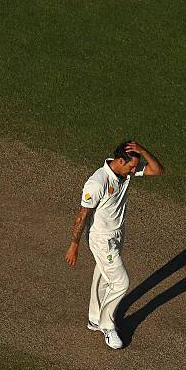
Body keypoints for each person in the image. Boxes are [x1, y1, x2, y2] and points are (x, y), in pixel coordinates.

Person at [64, 141, 164, 349]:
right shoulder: (97, 183)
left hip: (117, 234)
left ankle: (94, 317)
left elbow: (157, 170)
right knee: (120, 282)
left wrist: (143, 151)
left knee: (102, 273)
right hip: (102, 239)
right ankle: (107, 325)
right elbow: (82, 215)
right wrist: (74, 244)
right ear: (120, 160)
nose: (134, 170)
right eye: (131, 166)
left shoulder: (125, 174)